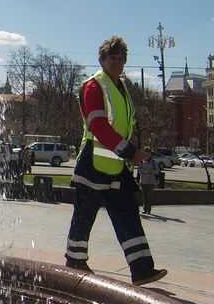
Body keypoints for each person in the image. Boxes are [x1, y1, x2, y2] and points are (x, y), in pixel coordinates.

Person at [64, 36, 167, 286]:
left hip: (117, 166)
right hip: (94, 164)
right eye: (113, 58)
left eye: (121, 59)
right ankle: (75, 262)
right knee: (84, 216)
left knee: (128, 214)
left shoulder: (121, 88)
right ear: (102, 59)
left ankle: (142, 269)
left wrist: (128, 155)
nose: (118, 63)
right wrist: (131, 152)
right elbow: (98, 126)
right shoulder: (93, 86)